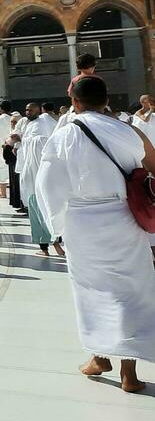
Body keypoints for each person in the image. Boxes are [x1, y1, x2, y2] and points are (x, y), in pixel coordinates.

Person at [36, 75, 155, 393]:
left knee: (93, 291)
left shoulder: (64, 135)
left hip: (84, 222)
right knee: (132, 290)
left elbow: (48, 184)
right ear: (107, 99)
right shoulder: (127, 129)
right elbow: (150, 164)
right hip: (125, 218)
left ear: (75, 102)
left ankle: (99, 357)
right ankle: (128, 372)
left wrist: (56, 227)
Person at [13, 102, 63, 256]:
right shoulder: (32, 125)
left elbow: (39, 145)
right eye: (26, 110)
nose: (28, 112)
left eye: (31, 110)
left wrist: (19, 142)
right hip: (37, 176)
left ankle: (49, 246)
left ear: (39, 110)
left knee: (41, 210)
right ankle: (50, 246)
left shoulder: (41, 127)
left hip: (38, 176)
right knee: (44, 209)